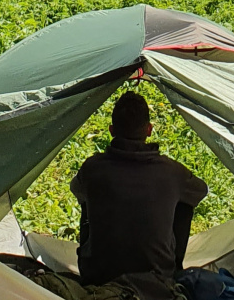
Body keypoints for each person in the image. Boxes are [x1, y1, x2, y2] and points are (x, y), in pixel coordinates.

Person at [70, 91, 208, 285]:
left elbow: (76, 189)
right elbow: (200, 190)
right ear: (149, 129)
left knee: (87, 199)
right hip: (158, 276)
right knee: (185, 203)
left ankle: (95, 259)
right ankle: (174, 268)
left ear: (111, 130)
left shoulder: (92, 168)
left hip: (98, 277)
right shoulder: (172, 172)